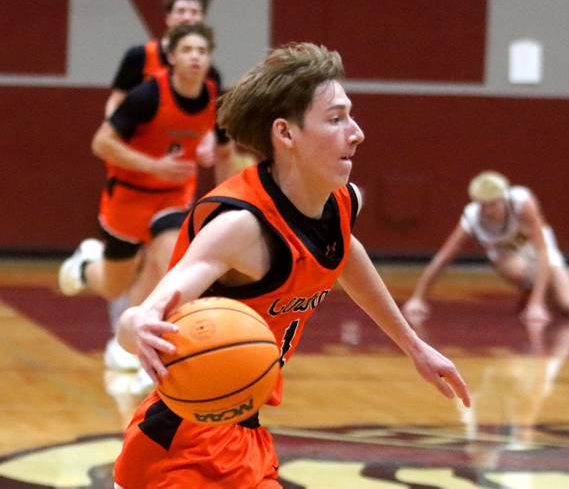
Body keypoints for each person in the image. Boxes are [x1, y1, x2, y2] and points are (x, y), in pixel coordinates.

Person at [111, 42, 471, 487]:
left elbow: (343, 254)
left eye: (350, 116)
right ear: (286, 134)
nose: (356, 132)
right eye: (336, 119)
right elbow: (142, 318)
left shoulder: (340, 203)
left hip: (246, 437)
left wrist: (414, 346)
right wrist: (138, 323)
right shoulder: (241, 227)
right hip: (180, 445)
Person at [59, 23, 235, 309]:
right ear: (172, 57)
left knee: (171, 266)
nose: (195, 57)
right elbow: (101, 143)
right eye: (187, 50)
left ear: (210, 58)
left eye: (202, 51)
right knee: (112, 285)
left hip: (173, 198)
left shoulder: (217, 99)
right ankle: (85, 264)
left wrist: (224, 205)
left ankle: (133, 343)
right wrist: (154, 166)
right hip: (130, 195)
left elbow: (226, 152)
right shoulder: (147, 96)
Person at [402, 171, 569, 324]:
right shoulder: (471, 216)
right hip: (508, 256)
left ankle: (537, 296)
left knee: (568, 305)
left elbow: (542, 251)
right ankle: (530, 290)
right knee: (518, 270)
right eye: (483, 205)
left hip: (538, 249)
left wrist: (536, 304)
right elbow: (444, 256)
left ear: (504, 198)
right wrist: (418, 297)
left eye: (493, 204)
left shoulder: (522, 202)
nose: (488, 211)